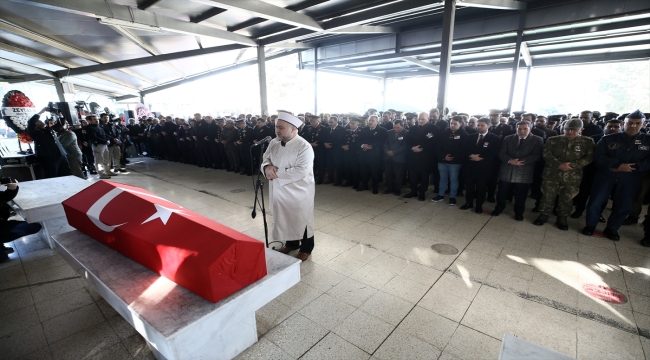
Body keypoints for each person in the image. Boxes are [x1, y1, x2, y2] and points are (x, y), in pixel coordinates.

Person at [583, 110, 650, 241]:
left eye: (637, 123)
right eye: (630, 123)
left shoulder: (647, 141)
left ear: (643, 124)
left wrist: (633, 167)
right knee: (596, 201)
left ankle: (612, 228)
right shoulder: (608, 139)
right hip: (607, 174)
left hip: (630, 177)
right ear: (624, 123)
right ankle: (590, 225)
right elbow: (599, 156)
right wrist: (617, 165)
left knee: (623, 204)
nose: (633, 125)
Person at [262, 112, 315, 262]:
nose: (277, 131)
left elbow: (302, 170)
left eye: (281, 127)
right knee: (284, 218)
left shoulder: (304, 146)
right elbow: (265, 158)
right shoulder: (274, 142)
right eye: (276, 127)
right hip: (279, 189)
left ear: (293, 129)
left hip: (299, 191)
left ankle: (306, 248)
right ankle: (291, 243)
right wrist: (266, 167)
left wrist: (275, 173)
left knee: (301, 219)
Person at [533, 119, 595, 230]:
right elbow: (546, 154)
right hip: (552, 173)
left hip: (572, 176)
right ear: (563, 128)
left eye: (574, 130)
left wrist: (573, 165)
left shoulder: (588, 142)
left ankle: (562, 217)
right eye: (567, 129)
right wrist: (558, 164)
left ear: (581, 130)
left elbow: (589, 157)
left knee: (567, 197)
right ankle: (543, 214)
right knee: (547, 195)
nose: (570, 132)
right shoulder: (553, 140)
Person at [491, 121, 543, 221]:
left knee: (521, 195)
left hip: (524, 171)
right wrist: (510, 160)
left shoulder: (537, 140)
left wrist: (521, 161)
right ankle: (499, 208)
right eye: (519, 129)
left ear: (530, 129)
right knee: (502, 193)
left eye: (525, 129)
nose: (522, 131)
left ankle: (519, 213)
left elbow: (537, 155)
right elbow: (501, 153)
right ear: (516, 129)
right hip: (507, 170)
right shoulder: (508, 138)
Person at [461, 118, 501, 213]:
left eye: (482, 125)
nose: (479, 127)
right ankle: (468, 202)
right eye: (478, 125)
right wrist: (471, 155)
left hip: (484, 167)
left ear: (488, 126)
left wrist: (481, 157)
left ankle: (479, 205)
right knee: (469, 187)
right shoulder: (470, 136)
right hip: (470, 166)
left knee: (481, 188)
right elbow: (465, 149)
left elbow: (493, 152)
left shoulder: (495, 138)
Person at [1, 179, 42, 262]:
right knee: (2, 258)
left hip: (2, 225)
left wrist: (12, 189)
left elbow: (4, 196)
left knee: (34, 226)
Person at [431, 116, 468, 205]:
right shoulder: (444, 133)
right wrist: (444, 156)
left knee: (453, 179)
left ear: (461, 124)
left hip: (455, 162)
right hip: (443, 160)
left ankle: (452, 197)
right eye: (451, 123)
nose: (452, 125)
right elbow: (437, 147)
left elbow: (463, 149)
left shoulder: (464, 135)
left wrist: (452, 157)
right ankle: (440, 195)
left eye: (455, 124)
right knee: (442, 178)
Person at [404, 112, 440, 201]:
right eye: (419, 119)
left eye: (423, 119)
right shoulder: (412, 128)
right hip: (413, 156)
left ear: (428, 119)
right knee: (412, 175)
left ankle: (422, 193)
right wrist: (412, 148)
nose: (420, 121)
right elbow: (407, 141)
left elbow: (434, 143)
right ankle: (413, 191)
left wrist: (420, 148)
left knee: (424, 176)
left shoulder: (434, 129)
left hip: (426, 157)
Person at [26, 108, 69, 178]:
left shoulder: (48, 129)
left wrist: (60, 115)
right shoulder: (34, 132)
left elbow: (60, 125)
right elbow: (31, 122)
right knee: (52, 175)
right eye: (37, 121)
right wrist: (41, 111)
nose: (40, 121)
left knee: (66, 173)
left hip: (60, 154)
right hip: (48, 156)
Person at [358, 115, 387, 194]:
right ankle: (364, 185)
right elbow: (359, 140)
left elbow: (381, 142)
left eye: (372, 121)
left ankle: (375, 187)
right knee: (364, 171)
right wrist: (363, 145)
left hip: (375, 155)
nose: (370, 122)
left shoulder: (382, 130)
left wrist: (369, 146)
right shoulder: (363, 130)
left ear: (377, 122)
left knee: (375, 172)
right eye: (369, 120)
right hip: (364, 154)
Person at [383, 119, 408, 196]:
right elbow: (385, 143)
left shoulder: (406, 133)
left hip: (399, 157)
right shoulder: (389, 132)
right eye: (394, 127)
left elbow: (405, 146)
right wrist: (387, 151)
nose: (395, 129)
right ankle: (390, 188)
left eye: (397, 127)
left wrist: (394, 152)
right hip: (388, 157)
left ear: (402, 126)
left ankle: (398, 189)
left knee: (398, 175)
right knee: (388, 174)